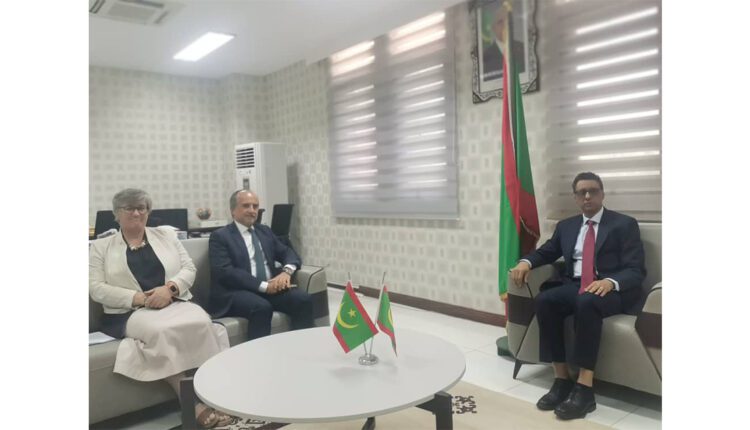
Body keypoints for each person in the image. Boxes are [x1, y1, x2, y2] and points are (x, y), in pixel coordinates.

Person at [89, 188, 234, 429]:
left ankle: (214, 393)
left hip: (173, 301)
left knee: (202, 322)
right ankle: (192, 402)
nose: (137, 213)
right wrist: (139, 298)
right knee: (161, 332)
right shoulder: (100, 246)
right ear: (117, 214)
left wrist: (170, 289)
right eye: (129, 208)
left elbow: (188, 268)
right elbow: (96, 288)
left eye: (141, 208)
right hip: (131, 311)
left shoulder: (166, 235)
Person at [509, 172, 646, 420]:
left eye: (593, 191)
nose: (587, 196)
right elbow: (547, 252)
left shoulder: (624, 224)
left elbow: (636, 270)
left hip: (610, 289)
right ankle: (561, 379)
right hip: (575, 284)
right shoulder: (567, 226)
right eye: (582, 192)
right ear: (575, 197)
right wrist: (526, 262)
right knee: (545, 301)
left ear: (602, 194)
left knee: (587, 302)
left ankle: (584, 388)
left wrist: (610, 282)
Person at [209, 190, 313, 340]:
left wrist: (286, 272)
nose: (252, 210)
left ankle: (303, 346)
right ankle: (259, 353)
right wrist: (264, 286)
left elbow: (287, 252)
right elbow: (226, 272)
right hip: (237, 291)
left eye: (255, 206)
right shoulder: (220, 236)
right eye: (246, 206)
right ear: (233, 210)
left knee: (303, 299)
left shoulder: (264, 231)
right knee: (261, 307)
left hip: (269, 289)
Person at [482, 6, 526, 82]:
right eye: (500, 22)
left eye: (507, 21)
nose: (504, 25)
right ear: (493, 28)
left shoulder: (523, 48)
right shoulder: (485, 56)